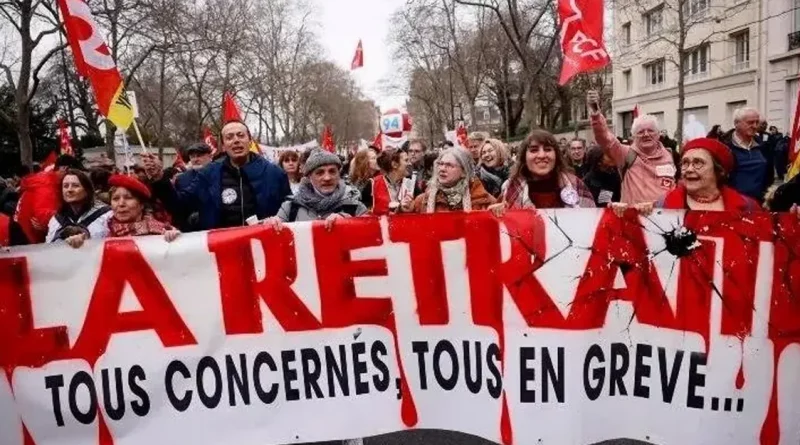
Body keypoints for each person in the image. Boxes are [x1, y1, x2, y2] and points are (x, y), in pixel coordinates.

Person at [145, 120, 291, 230]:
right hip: (221, 254)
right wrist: (159, 178)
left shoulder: (274, 173)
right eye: (229, 137)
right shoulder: (208, 173)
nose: (236, 140)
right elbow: (179, 205)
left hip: (263, 250)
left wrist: (278, 219)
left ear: (250, 140)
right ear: (223, 145)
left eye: (241, 135)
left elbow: (290, 209)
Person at [588, 90, 677, 204]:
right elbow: (604, 138)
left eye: (650, 130)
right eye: (640, 132)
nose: (646, 134)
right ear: (634, 136)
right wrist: (596, 115)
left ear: (658, 134)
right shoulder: (626, 154)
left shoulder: (669, 155)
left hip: (665, 218)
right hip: (633, 219)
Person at [490, 130, 595, 215]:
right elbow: (499, 234)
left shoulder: (575, 184)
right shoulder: (510, 188)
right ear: (524, 157)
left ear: (556, 155)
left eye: (548, 149)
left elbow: (593, 224)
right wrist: (493, 215)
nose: (541, 155)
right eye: (534, 150)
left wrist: (611, 210)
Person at [264, 150, 367, 230]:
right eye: (319, 172)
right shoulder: (290, 208)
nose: (327, 178)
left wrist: (350, 223)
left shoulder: (356, 208)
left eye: (332, 171)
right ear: (309, 177)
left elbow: (371, 239)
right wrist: (270, 224)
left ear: (339, 174)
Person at [407, 148, 496, 213]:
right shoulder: (421, 201)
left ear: (464, 172)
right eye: (440, 164)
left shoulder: (485, 201)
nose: (442, 169)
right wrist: (405, 210)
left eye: (449, 165)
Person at [45, 169, 112, 248]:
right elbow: (49, 248)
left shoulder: (106, 216)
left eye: (75, 185)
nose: (69, 190)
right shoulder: (56, 220)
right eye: (66, 186)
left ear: (87, 190)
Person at [723, 108, 771, 202]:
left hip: (758, 203)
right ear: (736, 124)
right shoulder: (724, 146)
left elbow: (769, 174)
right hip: (732, 203)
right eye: (750, 122)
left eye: (757, 122)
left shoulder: (762, 145)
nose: (755, 126)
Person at [361, 147, 411, 215]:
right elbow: (363, 214)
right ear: (394, 165)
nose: (410, 163)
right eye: (406, 160)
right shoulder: (373, 184)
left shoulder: (411, 183)